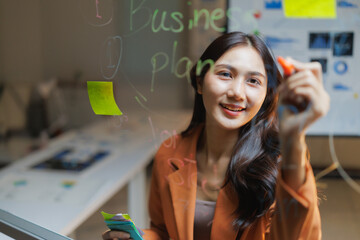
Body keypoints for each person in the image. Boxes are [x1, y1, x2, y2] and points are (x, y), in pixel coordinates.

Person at [102, 31, 329, 240]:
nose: (237, 93)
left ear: (266, 97)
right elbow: (163, 231)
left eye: (253, 81)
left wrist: (294, 139)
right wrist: (138, 236)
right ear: (200, 82)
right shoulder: (169, 153)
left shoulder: (280, 163)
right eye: (225, 74)